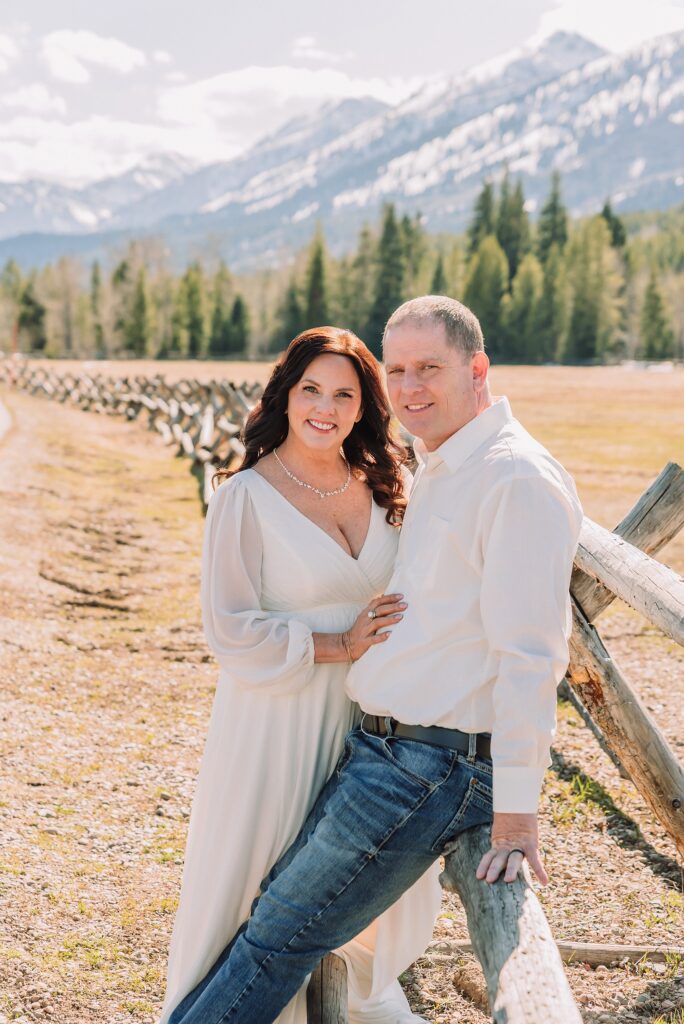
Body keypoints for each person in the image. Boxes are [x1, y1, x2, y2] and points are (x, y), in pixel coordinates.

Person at [168, 296, 584, 1024]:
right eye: (398, 370)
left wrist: (517, 815)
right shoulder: (440, 465)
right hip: (377, 751)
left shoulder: (514, 476)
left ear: (477, 368)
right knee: (274, 930)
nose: (411, 386)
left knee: (275, 940)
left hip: (428, 768)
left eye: (430, 367)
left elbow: (531, 655)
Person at [160, 326, 441, 1024]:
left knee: (346, 889)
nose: (326, 406)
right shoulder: (244, 498)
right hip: (276, 723)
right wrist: (337, 642)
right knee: (261, 885)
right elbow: (230, 629)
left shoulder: (387, 484)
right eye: (311, 388)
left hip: (370, 729)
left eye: (344, 394)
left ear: (363, 408)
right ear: (285, 395)